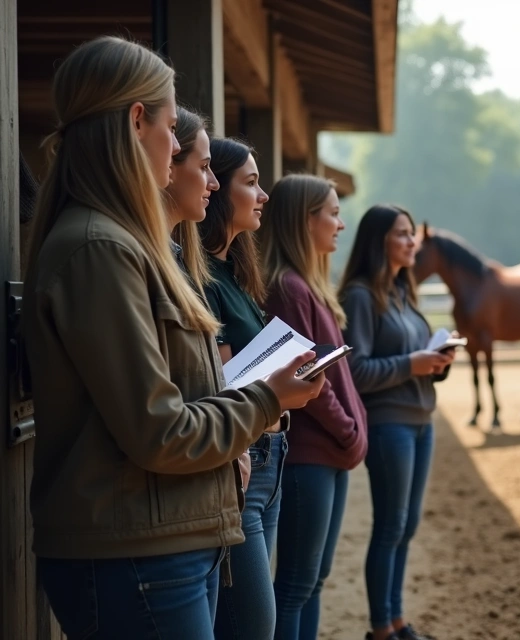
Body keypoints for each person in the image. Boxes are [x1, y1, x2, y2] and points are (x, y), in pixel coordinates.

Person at [22, 35, 323, 639]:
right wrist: (267, 400)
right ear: (138, 121)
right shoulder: (102, 250)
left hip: (161, 543)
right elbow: (159, 431)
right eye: (169, 122)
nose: (178, 145)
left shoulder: (125, 246)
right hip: (140, 553)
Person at [259, 174, 368, 640]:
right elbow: (308, 377)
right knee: (296, 585)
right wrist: (347, 429)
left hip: (328, 453)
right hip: (310, 454)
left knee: (313, 581)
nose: (340, 224)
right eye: (333, 213)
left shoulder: (308, 286)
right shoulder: (289, 289)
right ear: (307, 221)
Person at [338, 205, 453, 640]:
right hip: (389, 425)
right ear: (378, 241)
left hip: (421, 420)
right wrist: (413, 363)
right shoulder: (361, 296)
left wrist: (437, 362)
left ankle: (398, 620)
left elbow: (411, 360)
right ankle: (380, 628)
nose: (412, 242)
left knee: (407, 525)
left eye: (412, 234)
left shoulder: (403, 291)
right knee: (389, 525)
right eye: (402, 234)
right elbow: (358, 371)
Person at [196, 137, 286, 640]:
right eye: (250, 183)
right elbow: (219, 379)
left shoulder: (234, 272)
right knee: (254, 626)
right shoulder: (204, 277)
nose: (262, 195)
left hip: (269, 452)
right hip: (242, 454)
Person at [164, 105, 219, 291]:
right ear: (170, 166)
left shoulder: (177, 257)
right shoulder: (142, 255)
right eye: (204, 167)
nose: (215, 183)